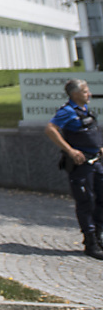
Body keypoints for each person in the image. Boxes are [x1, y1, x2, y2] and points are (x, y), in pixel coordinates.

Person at [45, 78, 103, 260]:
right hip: (81, 165)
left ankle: (99, 236)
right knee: (86, 202)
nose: (89, 94)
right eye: (85, 91)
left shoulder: (84, 110)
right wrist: (70, 150)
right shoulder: (67, 111)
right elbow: (50, 129)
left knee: (101, 199)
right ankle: (90, 242)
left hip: (96, 161)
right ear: (75, 94)